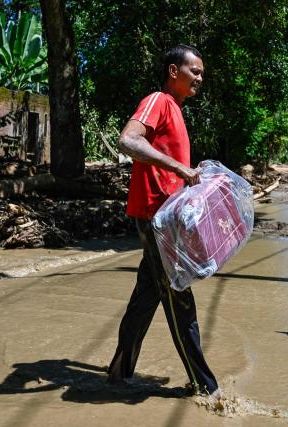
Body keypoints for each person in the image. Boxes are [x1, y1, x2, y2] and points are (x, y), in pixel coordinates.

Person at [107, 45, 220, 398]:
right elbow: (128, 139)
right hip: (158, 221)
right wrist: (178, 168)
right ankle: (206, 387)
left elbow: (171, 167)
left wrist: (189, 173)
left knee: (147, 296)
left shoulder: (176, 111)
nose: (200, 78)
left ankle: (118, 372)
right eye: (195, 71)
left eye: (202, 72)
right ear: (174, 71)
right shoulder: (159, 100)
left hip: (166, 218)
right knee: (179, 297)